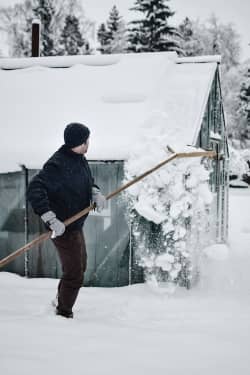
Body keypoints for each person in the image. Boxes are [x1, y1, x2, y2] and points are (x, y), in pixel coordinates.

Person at [27, 122, 105, 318]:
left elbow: (87, 180)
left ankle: (60, 299)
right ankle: (63, 314)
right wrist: (51, 218)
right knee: (74, 274)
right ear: (77, 142)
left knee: (80, 266)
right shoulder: (57, 164)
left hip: (75, 225)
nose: (88, 144)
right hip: (62, 228)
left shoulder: (79, 158)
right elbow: (35, 189)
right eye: (86, 141)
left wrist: (95, 193)